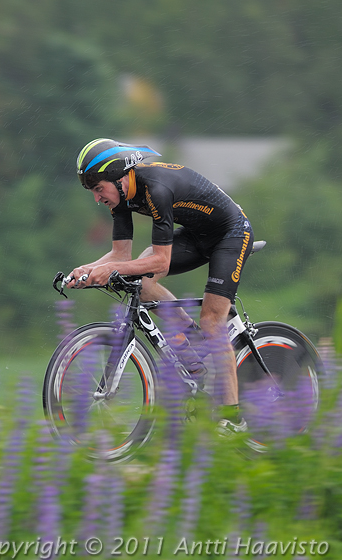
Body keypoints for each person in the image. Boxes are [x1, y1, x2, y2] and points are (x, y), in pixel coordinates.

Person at [67, 138, 254, 435]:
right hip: (197, 234)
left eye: (98, 189)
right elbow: (120, 256)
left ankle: (232, 418)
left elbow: (161, 262)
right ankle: (194, 343)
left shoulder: (156, 188)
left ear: (119, 177)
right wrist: (86, 270)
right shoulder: (122, 196)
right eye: (92, 192)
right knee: (140, 281)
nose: (97, 198)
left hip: (230, 234)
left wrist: (109, 269)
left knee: (212, 318)